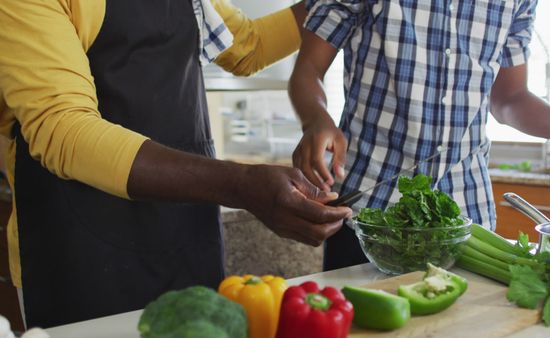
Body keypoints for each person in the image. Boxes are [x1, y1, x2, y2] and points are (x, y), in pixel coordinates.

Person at [0, 0, 351, 328]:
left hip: (184, 226)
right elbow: (64, 130)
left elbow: (247, 46)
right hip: (79, 244)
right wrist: (241, 182)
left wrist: (327, 3)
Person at [288, 0, 550, 271]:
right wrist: (316, 119)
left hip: (468, 221)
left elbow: (509, 100)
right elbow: (308, 70)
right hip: (369, 220)